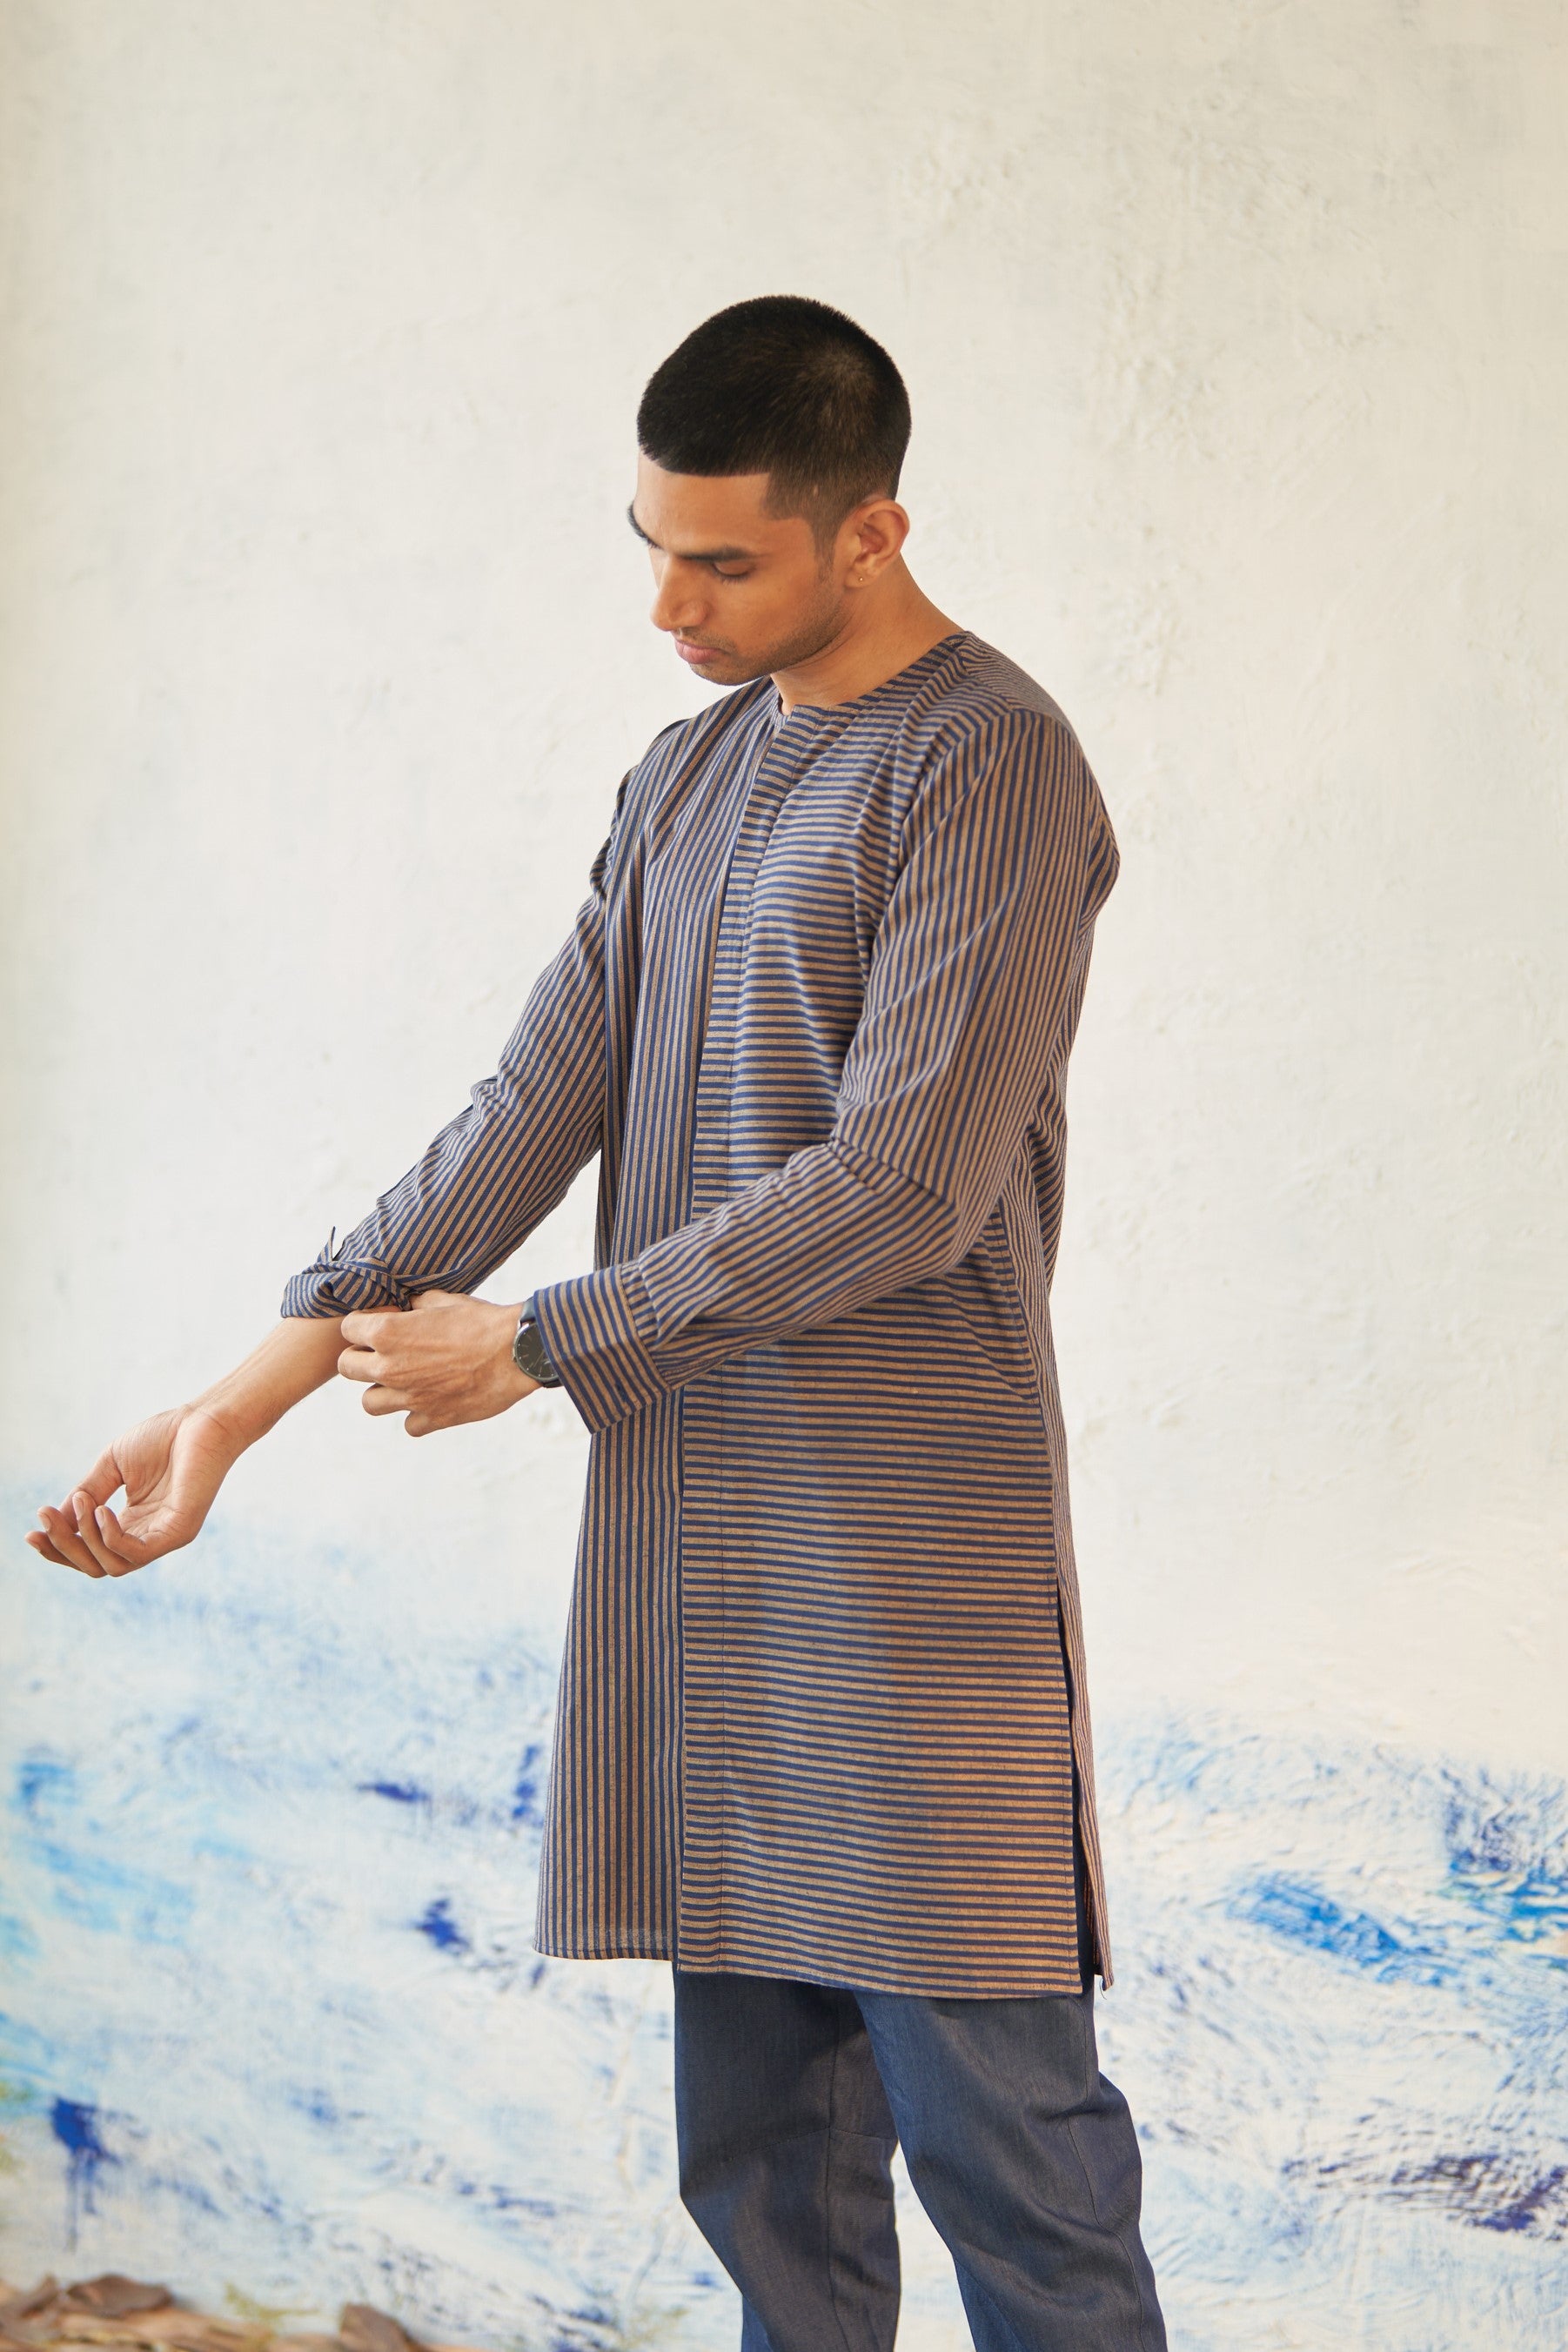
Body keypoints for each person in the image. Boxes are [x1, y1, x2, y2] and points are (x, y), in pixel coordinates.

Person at [28, 296, 1167, 2352]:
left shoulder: (990, 766)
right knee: (765, 2176)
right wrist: (242, 1397)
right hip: (702, 1563)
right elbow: (531, 1104)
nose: (667, 605)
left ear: (872, 532)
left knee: (1019, 2174)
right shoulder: (690, 771)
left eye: (721, 559)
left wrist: (544, 1340)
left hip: (911, 1580)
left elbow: (904, 1183)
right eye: (649, 546)